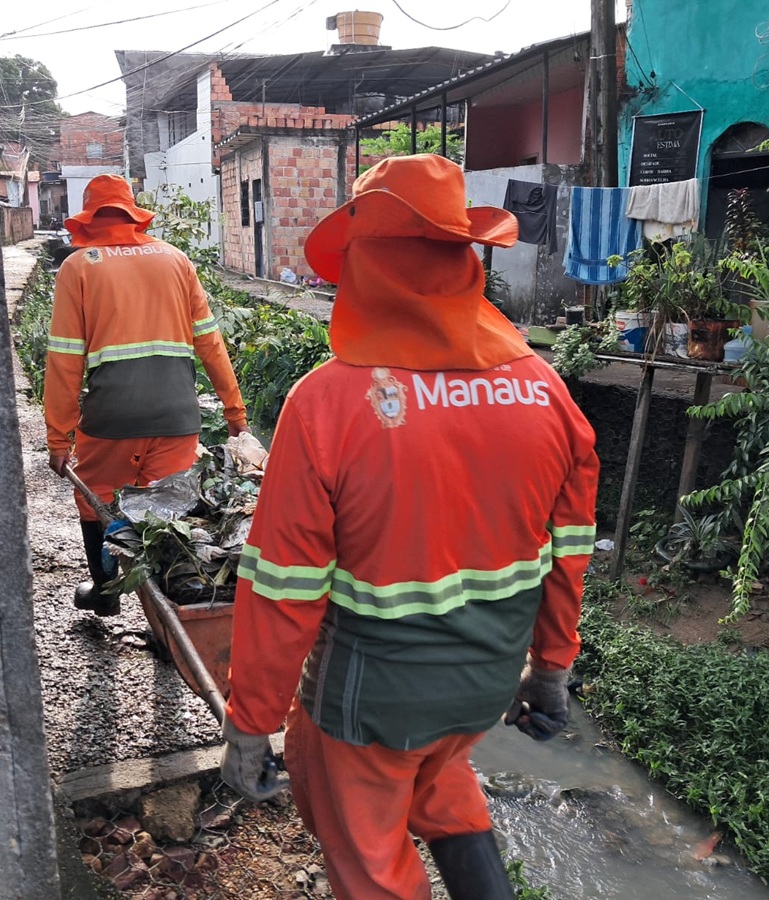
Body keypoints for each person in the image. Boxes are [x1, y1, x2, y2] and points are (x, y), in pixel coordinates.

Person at [219, 154, 599, 899]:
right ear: (464, 263)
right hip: (482, 683)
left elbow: (282, 588)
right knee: (439, 771)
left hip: (370, 697)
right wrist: (550, 669)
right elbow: (570, 552)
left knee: (368, 855)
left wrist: (250, 720)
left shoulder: (327, 402)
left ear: (365, 265)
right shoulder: (543, 389)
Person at [44, 174, 249, 617]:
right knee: (167, 513)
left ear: (90, 218)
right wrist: (235, 412)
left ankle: (106, 592)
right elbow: (211, 344)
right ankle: (173, 612)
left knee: (97, 498)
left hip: (110, 419)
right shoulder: (176, 261)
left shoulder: (78, 267)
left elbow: (64, 361)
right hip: (177, 418)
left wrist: (58, 439)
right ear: (132, 213)